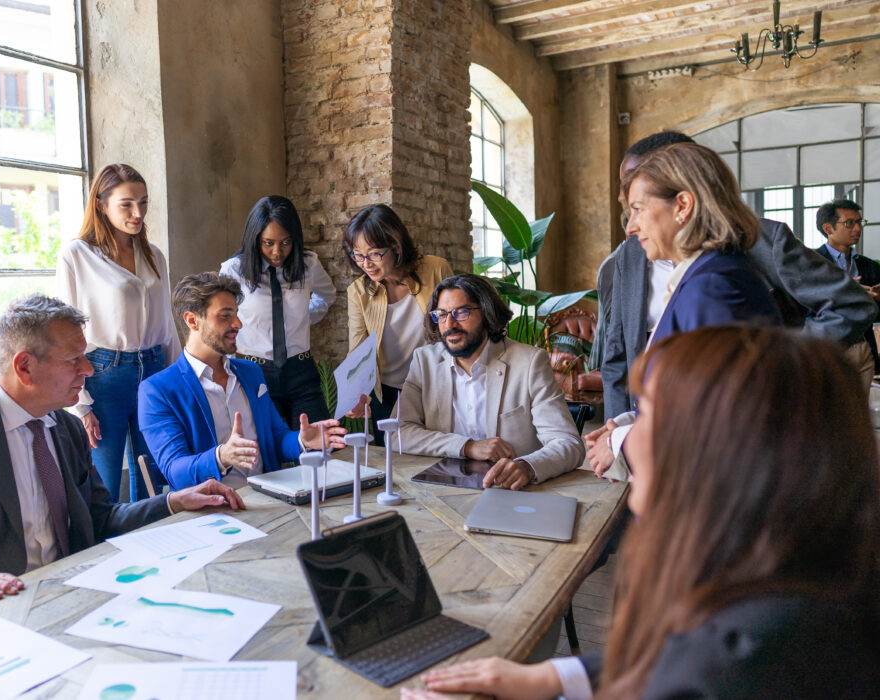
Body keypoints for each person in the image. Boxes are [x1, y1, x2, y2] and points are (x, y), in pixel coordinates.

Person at [402, 326, 880, 699]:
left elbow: (699, 670)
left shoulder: (750, 660)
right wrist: (552, 677)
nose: (622, 434)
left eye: (644, 415)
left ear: (721, 453)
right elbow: (675, 664)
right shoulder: (800, 588)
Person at [0, 295, 243, 631]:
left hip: (60, 606)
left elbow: (98, 520)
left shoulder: (67, 429)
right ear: (24, 366)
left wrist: (173, 502)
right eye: (75, 360)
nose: (90, 370)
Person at [601, 132, 876, 420]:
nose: (630, 223)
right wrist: (619, 435)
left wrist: (782, 363)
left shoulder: (723, 272)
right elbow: (619, 353)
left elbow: (852, 304)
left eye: (638, 203)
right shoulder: (631, 254)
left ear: (683, 193)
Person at [138, 273, 346, 489]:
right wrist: (222, 457)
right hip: (213, 511)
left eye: (236, 314)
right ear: (192, 321)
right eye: (225, 316)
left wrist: (303, 441)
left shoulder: (250, 373)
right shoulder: (157, 391)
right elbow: (175, 471)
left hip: (271, 498)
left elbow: (275, 438)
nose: (237, 324)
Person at [56, 163, 180, 502]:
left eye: (143, 202)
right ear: (101, 203)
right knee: (104, 484)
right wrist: (81, 405)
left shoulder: (154, 256)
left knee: (153, 478)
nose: (137, 212)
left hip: (154, 370)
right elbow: (66, 332)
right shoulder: (77, 256)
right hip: (104, 375)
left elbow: (167, 324)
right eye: (126, 204)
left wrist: (177, 380)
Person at [397, 274, 584, 489]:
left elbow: (569, 444)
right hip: (441, 488)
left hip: (512, 492)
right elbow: (398, 432)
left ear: (486, 313)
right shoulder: (425, 361)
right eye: (441, 315)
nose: (449, 324)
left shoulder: (530, 362)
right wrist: (466, 447)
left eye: (462, 312)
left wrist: (527, 466)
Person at [219, 195, 336, 428]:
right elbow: (222, 317)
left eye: (285, 242)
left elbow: (327, 295)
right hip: (254, 372)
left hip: (301, 372)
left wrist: (300, 321)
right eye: (268, 242)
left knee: (322, 447)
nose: (277, 252)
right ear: (255, 239)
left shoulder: (308, 264)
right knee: (269, 456)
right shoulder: (234, 270)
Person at [344, 204, 453, 426]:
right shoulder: (358, 291)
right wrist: (356, 394)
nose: (366, 264)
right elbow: (358, 347)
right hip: (387, 393)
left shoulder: (436, 270)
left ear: (395, 245)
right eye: (358, 255)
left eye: (374, 254)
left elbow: (454, 324)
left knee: (441, 452)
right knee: (391, 457)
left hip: (436, 384)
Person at [815, 198, 879, 384]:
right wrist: (844, 291)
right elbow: (805, 306)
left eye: (860, 222)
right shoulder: (813, 263)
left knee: (859, 410)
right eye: (849, 223)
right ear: (828, 229)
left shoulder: (868, 266)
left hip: (864, 346)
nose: (857, 229)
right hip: (828, 347)